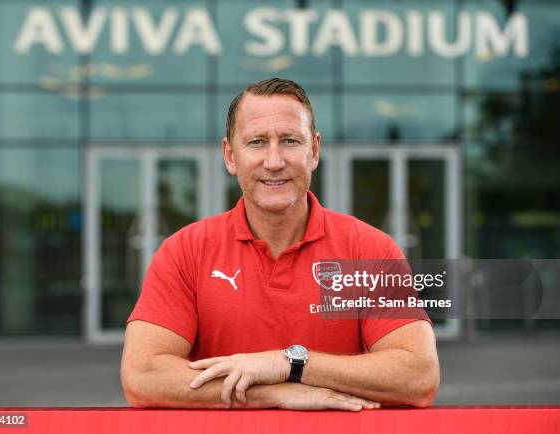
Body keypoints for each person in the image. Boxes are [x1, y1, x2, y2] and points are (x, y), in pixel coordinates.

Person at [120, 78, 439, 411]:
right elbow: (143, 376)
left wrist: (291, 364)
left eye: (289, 141)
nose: (274, 161)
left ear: (313, 151)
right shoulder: (185, 251)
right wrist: (271, 393)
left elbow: (418, 376)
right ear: (230, 155)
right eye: (257, 142)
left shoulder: (369, 250)